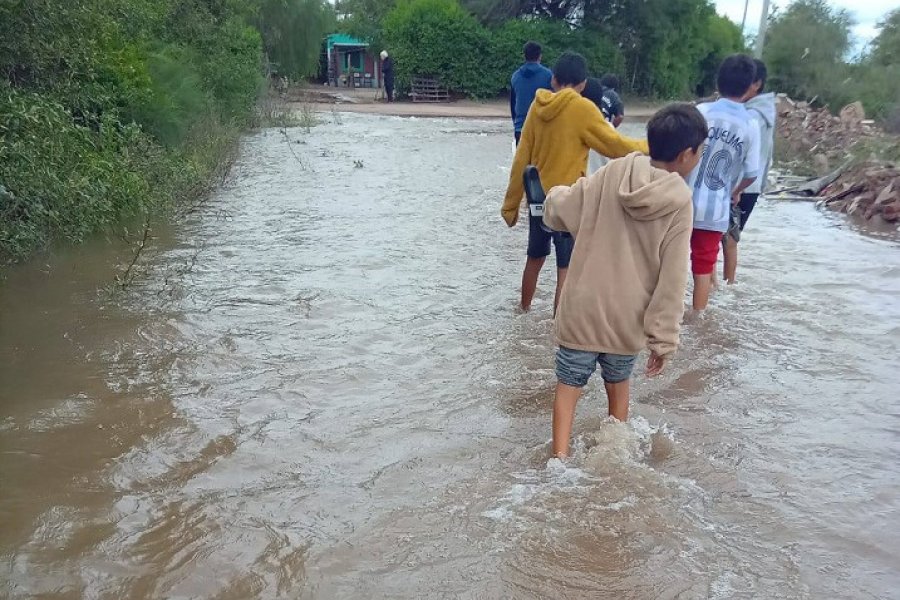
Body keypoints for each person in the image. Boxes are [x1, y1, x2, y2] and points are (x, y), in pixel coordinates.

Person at [543, 104, 706, 457]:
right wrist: (663, 340)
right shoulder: (680, 203)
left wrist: (550, 198)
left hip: (583, 309)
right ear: (685, 155)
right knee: (618, 387)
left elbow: (567, 207)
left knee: (568, 387)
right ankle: (614, 457)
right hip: (627, 319)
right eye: (700, 150)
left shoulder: (613, 172)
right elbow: (673, 276)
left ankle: (558, 461)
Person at [501, 52, 648, 314]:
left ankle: (522, 312)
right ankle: (558, 327)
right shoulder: (583, 109)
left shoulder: (537, 107)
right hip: (570, 201)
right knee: (565, 268)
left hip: (539, 200)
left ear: (554, 80)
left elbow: (521, 158)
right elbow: (616, 146)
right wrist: (653, 146)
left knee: (534, 258)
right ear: (582, 84)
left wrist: (510, 206)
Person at [687, 54, 759, 310]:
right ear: (750, 87)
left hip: (680, 201)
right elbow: (753, 172)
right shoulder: (750, 124)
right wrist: (736, 191)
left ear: (718, 81)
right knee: (703, 269)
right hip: (715, 208)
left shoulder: (700, 111)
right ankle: (698, 321)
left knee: (666, 261)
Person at [722, 58, 775, 284]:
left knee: (728, 237)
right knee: (724, 237)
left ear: (757, 85)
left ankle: (728, 285)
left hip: (742, 186)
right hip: (747, 184)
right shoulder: (761, 112)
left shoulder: (754, 116)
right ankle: (722, 285)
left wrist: (736, 188)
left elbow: (741, 153)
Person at [510, 41, 553, 145]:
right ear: (540, 56)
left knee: (522, 161)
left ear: (524, 56)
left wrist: (516, 123)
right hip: (542, 129)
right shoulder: (548, 76)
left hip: (521, 128)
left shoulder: (515, 76)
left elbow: (513, 105)